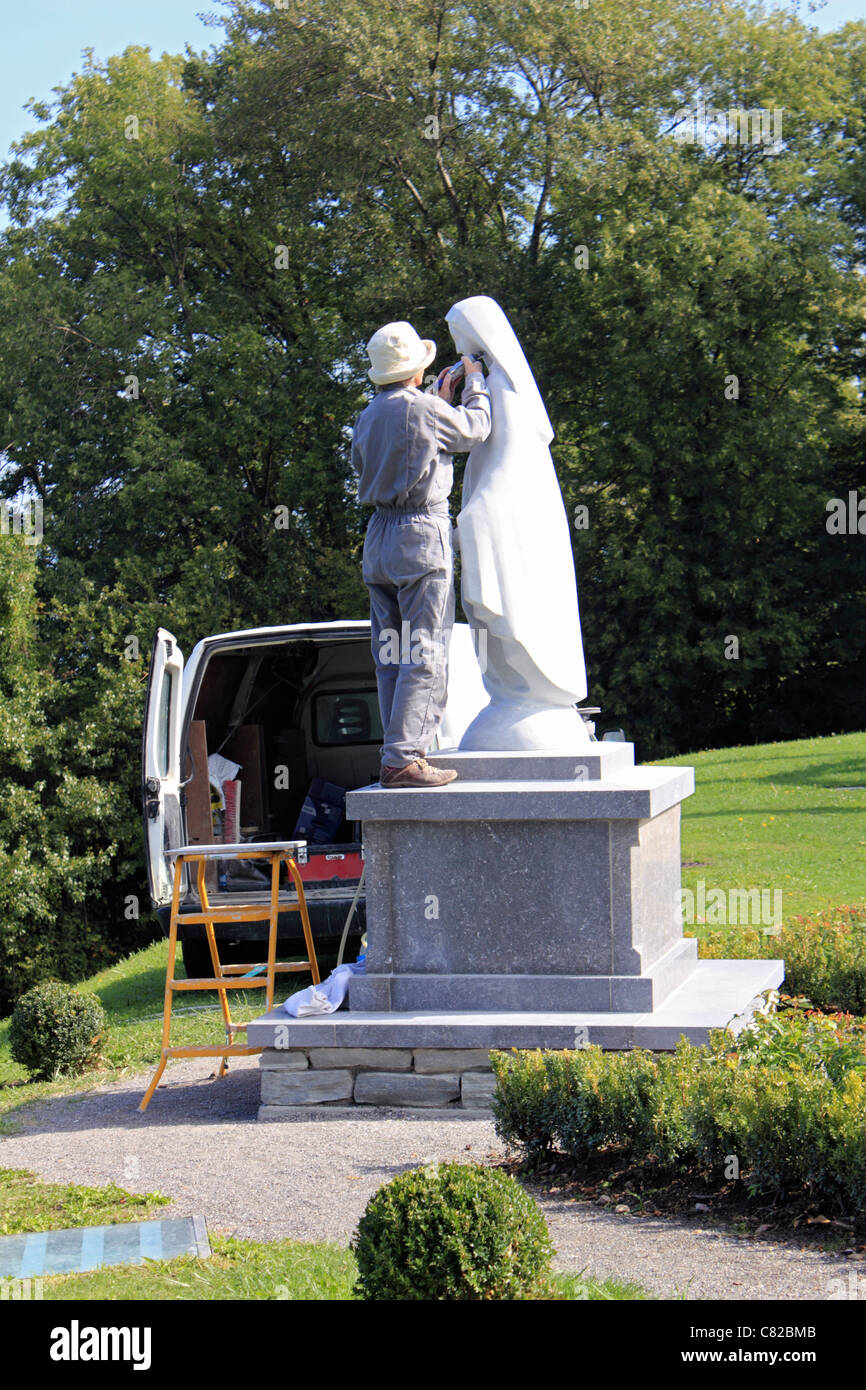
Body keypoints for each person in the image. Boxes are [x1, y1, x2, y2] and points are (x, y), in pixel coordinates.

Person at [351, 320, 492, 786]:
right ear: (416, 369)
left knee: (391, 654)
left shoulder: (368, 415)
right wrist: (474, 383)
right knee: (424, 651)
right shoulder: (427, 409)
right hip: (419, 534)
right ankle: (404, 758)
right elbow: (476, 430)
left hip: (378, 540)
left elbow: (387, 449)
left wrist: (436, 399)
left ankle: (396, 752)